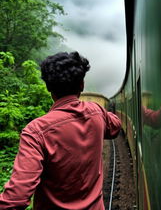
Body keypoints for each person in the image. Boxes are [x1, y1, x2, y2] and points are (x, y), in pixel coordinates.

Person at [0, 52, 121, 210]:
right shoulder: (96, 112)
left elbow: (16, 199)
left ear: (48, 86)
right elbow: (115, 126)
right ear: (81, 85)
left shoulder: (35, 132)